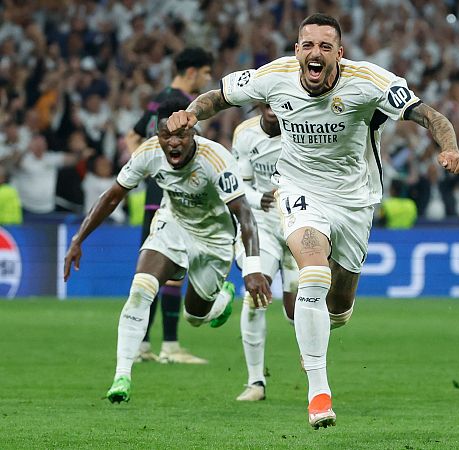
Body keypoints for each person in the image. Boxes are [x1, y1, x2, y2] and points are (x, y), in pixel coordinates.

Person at [167, 13, 459, 428]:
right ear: (297, 50)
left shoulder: (368, 81)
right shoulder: (276, 76)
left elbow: (430, 116)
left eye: (325, 47)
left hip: (355, 202)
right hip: (299, 190)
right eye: (308, 45)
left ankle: (330, 320)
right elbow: (219, 95)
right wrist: (189, 113)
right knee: (312, 270)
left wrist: (449, 148)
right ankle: (319, 393)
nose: (315, 53)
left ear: (338, 54)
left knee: (339, 308)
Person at [64, 102, 270, 404]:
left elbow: (245, 215)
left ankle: (221, 299)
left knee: (195, 317)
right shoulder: (148, 153)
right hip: (172, 226)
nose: (173, 142)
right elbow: (112, 197)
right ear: (157, 135)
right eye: (166, 135)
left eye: (181, 136)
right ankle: (122, 375)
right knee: (140, 290)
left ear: (194, 133)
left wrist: (252, 267)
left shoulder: (215, 159)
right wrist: (78, 239)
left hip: (213, 240)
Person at [126, 47, 214, 364]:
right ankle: (169, 345)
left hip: (158, 194)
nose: (208, 79)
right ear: (192, 72)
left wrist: (146, 167)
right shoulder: (180, 106)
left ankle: (145, 345)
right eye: (206, 73)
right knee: (167, 270)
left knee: (153, 272)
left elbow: (132, 136)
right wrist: (156, 168)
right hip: (170, 196)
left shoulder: (158, 98)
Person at [231, 104, 299, 402]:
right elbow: (239, 186)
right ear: (260, 102)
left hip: (301, 222)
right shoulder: (245, 134)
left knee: (298, 309)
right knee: (254, 298)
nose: (274, 108)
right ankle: (255, 381)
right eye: (268, 101)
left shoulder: (305, 129)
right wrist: (261, 199)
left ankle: (314, 370)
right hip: (263, 224)